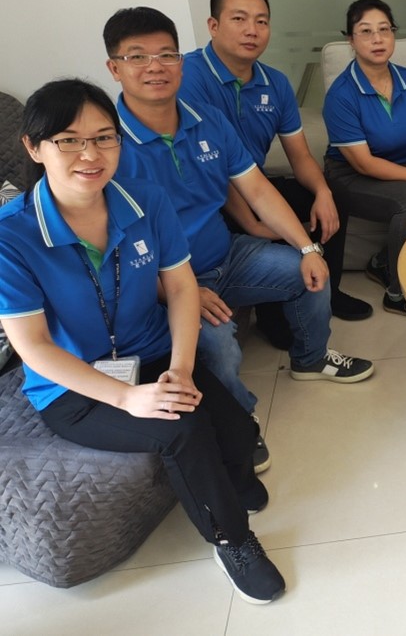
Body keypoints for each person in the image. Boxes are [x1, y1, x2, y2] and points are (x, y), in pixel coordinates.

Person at [0, 80, 285, 604]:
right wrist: (128, 398)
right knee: (183, 430)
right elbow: (34, 347)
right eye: (68, 140)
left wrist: (181, 366)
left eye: (104, 137)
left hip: (150, 351)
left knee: (239, 432)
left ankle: (235, 479)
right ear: (34, 148)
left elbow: (180, 288)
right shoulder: (11, 235)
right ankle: (232, 540)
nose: (90, 154)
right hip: (74, 385)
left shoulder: (145, 200)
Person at [105, 7, 374, 471]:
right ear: (115, 68)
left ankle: (310, 360)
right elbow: (111, 251)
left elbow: (257, 189)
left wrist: (307, 248)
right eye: (137, 57)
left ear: (181, 62)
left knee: (309, 270)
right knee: (219, 344)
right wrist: (178, 290)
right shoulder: (107, 144)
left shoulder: (206, 119)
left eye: (166, 54)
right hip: (164, 283)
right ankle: (237, 421)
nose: (155, 67)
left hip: (225, 256)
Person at [180, 0, 372, 353]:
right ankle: (275, 315)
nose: (252, 30)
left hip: (255, 184)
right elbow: (211, 170)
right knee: (262, 222)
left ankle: (328, 290)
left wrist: (323, 192)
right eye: (239, 19)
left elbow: (300, 157)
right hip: (210, 196)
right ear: (213, 26)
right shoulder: (189, 78)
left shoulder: (276, 83)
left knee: (328, 200)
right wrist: (253, 222)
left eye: (262, 21)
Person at [323, 0, 406, 317]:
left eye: (384, 29)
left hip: (403, 167)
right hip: (351, 176)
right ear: (351, 39)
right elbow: (363, 162)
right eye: (366, 31)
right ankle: (398, 293)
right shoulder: (341, 94)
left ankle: (382, 261)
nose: (377, 39)